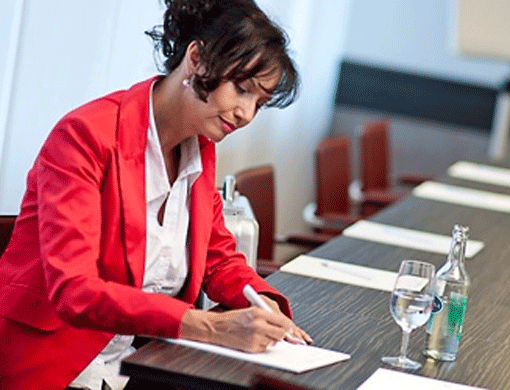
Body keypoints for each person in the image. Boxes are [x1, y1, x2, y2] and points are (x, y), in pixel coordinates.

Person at [0, 1, 312, 389]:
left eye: (259, 103)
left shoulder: (198, 146)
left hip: (138, 364)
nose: (247, 113)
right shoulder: (85, 137)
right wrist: (208, 326)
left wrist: (266, 305)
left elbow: (218, 258)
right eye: (242, 89)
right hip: (55, 368)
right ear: (196, 58)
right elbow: (74, 290)